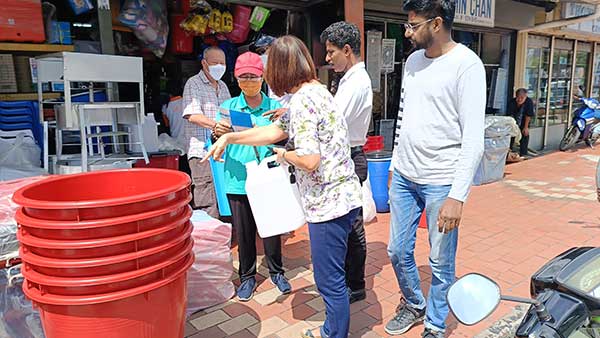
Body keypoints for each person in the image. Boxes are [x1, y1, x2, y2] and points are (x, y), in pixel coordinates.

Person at [203, 35, 362, 338]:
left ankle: (333, 333)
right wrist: (230, 137)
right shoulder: (316, 91)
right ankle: (333, 329)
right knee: (333, 276)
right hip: (342, 197)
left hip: (328, 204)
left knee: (329, 281)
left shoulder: (302, 100)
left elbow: (310, 159)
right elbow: (275, 130)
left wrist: (284, 155)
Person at [385, 0, 486, 337]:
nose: (407, 31)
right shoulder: (413, 61)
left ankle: (435, 324)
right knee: (397, 251)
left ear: (437, 23)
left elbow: (473, 138)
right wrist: (395, 164)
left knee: (441, 263)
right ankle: (415, 303)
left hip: (441, 182)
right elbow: (404, 116)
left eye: (413, 25)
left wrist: (458, 196)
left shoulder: (467, 65)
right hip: (404, 177)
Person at [214, 52, 291, 301]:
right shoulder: (228, 108)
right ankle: (246, 277)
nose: (248, 81)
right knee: (244, 233)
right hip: (238, 177)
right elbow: (218, 139)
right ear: (236, 79)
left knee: (271, 228)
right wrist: (218, 133)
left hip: (268, 178)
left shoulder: (274, 108)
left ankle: (276, 271)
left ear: (263, 77)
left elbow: (285, 137)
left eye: (253, 76)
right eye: (243, 77)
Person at [320, 21, 372, 305]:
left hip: (351, 157)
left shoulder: (356, 82)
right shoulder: (348, 79)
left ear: (347, 50)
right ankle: (353, 282)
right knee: (350, 225)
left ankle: (355, 284)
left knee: (352, 227)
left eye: (331, 52)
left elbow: (331, 121)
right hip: (349, 155)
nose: (328, 59)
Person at [182, 46, 231, 218]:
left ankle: (226, 234)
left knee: (224, 194)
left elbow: (228, 113)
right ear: (204, 63)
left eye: (222, 63)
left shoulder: (223, 86)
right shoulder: (193, 83)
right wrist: (216, 125)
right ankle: (210, 240)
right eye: (214, 63)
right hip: (202, 151)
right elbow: (192, 114)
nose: (219, 66)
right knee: (206, 197)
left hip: (223, 150)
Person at [507, 88, 534, 157]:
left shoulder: (529, 102)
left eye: (522, 98)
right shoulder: (512, 102)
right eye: (518, 97)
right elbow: (510, 115)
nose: (519, 99)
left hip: (524, 122)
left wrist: (526, 127)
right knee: (510, 136)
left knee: (525, 135)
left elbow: (528, 115)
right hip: (513, 122)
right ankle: (508, 153)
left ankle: (523, 154)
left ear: (525, 97)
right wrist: (512, 126)